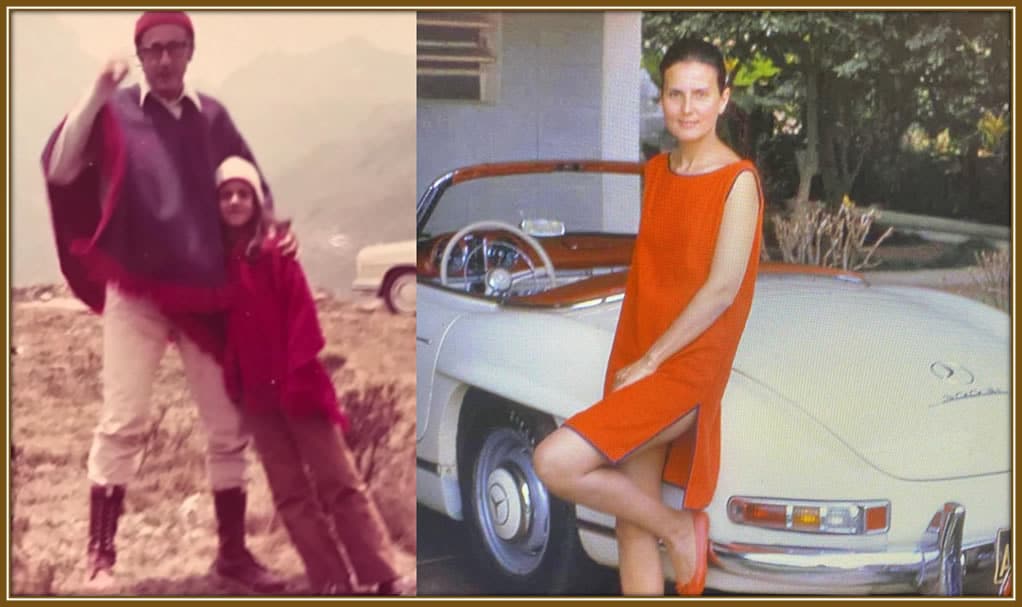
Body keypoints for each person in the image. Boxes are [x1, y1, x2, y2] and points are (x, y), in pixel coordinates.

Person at [40, 11, 291, 592]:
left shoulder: (214, 117)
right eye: (152, 49)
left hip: (206, 294)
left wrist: (274, 233)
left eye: (175, 47)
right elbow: (60, 168)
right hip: (135, 290)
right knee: (122, 421)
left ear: (190, 50)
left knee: (228, 427)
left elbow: (250, 187)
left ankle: (232, 556)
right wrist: (97, 91)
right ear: (140, 53)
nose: (164, 59)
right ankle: (100, 558)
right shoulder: (116, 112)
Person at [532, 37, 764, 596]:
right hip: (638, 351)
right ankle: (669, 531)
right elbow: (655, 275)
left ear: (724, 100)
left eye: (701, 94)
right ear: (660, 99)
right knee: (630, 524)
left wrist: (655, 359)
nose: (687, 107)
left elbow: (721, 289)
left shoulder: (739, 182)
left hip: (684, 368)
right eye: (675, 94)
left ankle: (681, 529)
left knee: (554, 462)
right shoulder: (656, 172)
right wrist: (637, 356)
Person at [213, 156, 405, 596]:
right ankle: (330, 579)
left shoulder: (278, 254)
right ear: (217, 205)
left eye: (243, 193)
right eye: (226, 195)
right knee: (289, 492)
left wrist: (299, 373)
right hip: (257, 396)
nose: (236, 201)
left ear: (257, 201)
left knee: (338, 480)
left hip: (298, 384)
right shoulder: (218, 261)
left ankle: (381, 573)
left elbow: (303, 317)